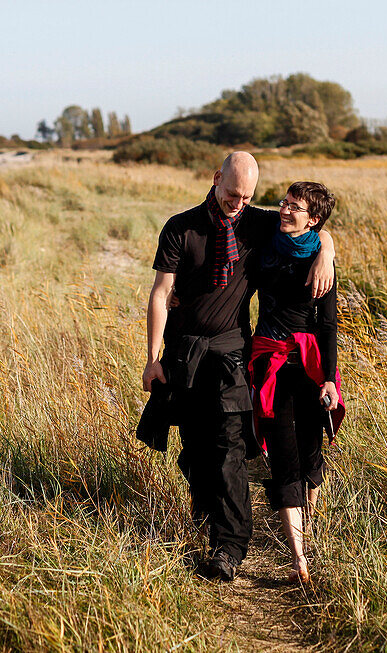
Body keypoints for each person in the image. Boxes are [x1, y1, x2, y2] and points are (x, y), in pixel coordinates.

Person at [137, 152, 335, 582]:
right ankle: (205, 516)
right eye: (232, 194)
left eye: (247, 196)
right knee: (194, 449)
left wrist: (328, 253)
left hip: (231, 353)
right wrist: (153, 359)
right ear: (215, 180)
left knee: (230, 449)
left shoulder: (256, 222)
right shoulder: (180, 227)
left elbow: (310, 227)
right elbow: (159, 294)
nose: (239, 203)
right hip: (183, 353)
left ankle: (229, 547)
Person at [247, 181, 344, 585]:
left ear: (314, 219)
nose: (284, 210)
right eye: (285, 202)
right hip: (271, 364)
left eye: (295, 207)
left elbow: (328, 326)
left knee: (310, 455)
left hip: (311, 367)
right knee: (284, 459)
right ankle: (298, 558)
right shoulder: (266, 242)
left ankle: (311, 526)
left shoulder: (320, 262)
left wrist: (329, 381)